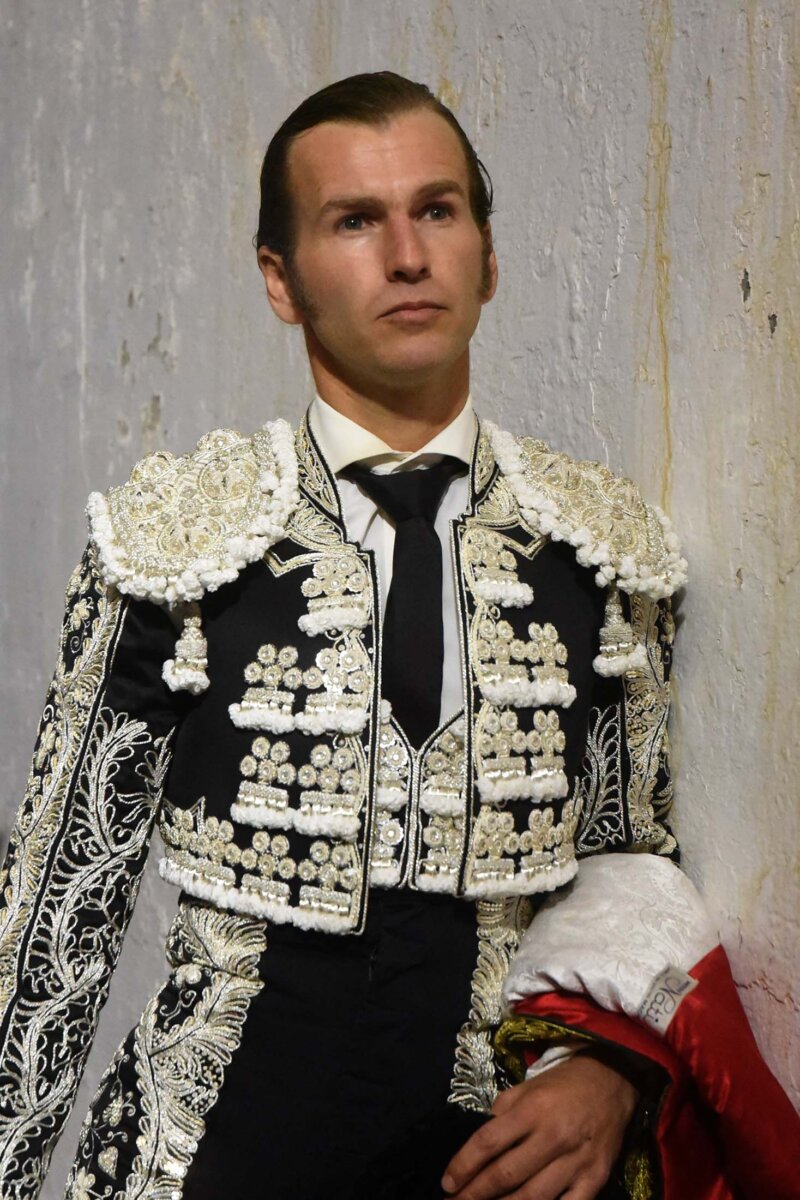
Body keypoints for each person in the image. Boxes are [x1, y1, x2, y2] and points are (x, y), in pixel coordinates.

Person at [0, 71, 796, 1200]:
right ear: (280, 280)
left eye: (437, 210)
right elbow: (52, 928)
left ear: (488, 256)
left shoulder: (601, 550)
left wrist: (609, 1066)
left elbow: (627, 863)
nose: (408, 256)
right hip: (209, 1156)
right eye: (354, 221)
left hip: (489, 1163)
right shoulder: (177, 542)